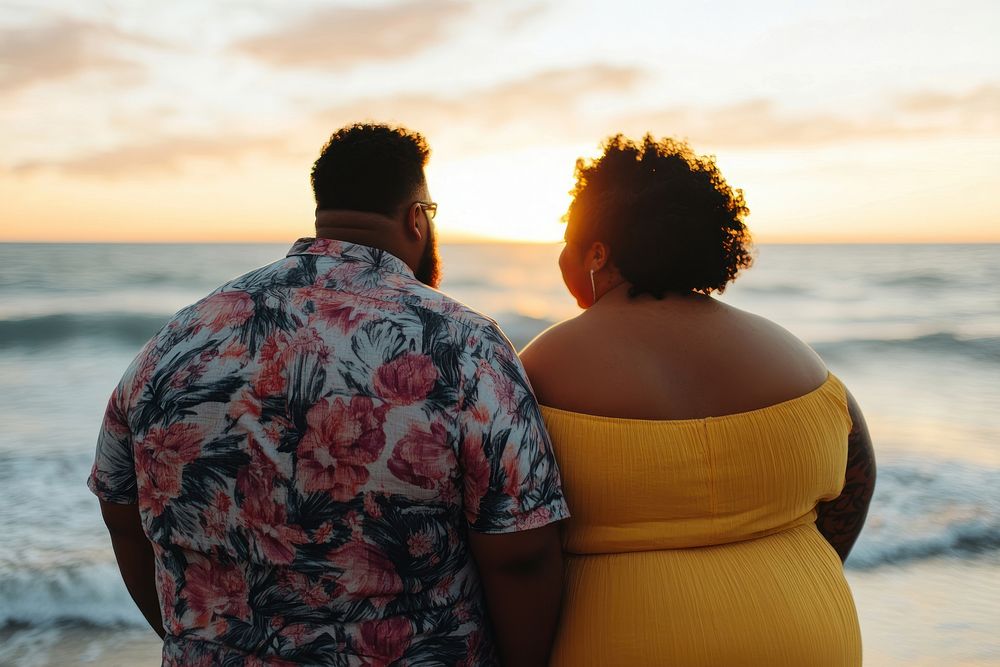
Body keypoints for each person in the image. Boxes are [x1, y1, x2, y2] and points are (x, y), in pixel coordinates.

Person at [88, 123, 569, 666]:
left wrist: (202, 640)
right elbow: (521, 553)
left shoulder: (177, 341)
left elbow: (120, 511)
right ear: (416, 218)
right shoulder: (462, 345)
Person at [519, 134, 876, 666]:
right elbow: (857, 479)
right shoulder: (797, 358)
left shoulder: (541, 366)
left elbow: (516, 548)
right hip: (807, 638)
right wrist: (783, 573)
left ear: (597, 253)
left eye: (567, 242)